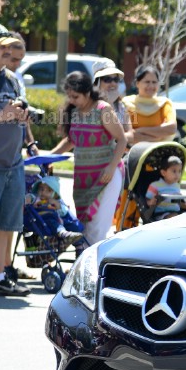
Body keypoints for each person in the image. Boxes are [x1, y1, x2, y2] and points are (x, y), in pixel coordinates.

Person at [0, 31, 35, 296]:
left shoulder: (12, 79)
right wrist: (3, 116)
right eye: (0, 46)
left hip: (12, 161)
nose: (7, 52)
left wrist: (23, 117)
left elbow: (16, 114)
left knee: (3, 223)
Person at [51, 71, 128, 247]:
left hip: (106, 177)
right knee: (83, 227)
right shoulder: (75, 112)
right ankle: (84, 266)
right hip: (83, 179)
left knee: (97, 229)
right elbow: (71, 140)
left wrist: (111, 167)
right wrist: (48, 157)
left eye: (75, 96)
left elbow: (122, 139)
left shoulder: (103, 109)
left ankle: (94, 268)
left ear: (87, 92)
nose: (71, 100)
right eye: (69, 96)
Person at [123, 65, 177, 143]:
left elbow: (172, 128)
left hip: (158, 150)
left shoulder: (164, 104)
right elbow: (122, 132)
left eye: (154, 82)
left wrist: (140, 130)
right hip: (130, 151)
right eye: (147, 82)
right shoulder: (127, 103)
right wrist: (156, 136)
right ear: (137, 83)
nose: (151, 86)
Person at [29, 175, 84, 245]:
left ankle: (79, 246)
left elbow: (64, 213)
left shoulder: (56, 202)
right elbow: (30, 198)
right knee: (53, 222)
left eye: (48, 190)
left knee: (74, 226)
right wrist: (31, 201)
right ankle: (63, 233)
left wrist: (58, 205)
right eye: (41, 189)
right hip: (44, 221)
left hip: (60, 221)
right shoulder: (36, 199)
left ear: (55, 194)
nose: (43, 192)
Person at [91, 59, 130, 135]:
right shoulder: (89, 105)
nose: (113, 83)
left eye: (116, 79)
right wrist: (109, 103)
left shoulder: (121, 105)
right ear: (97, 82)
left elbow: (131, 134)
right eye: (107, 79)